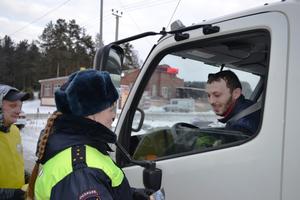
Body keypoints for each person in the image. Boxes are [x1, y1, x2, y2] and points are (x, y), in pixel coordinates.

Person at [27, 69, 152, 200]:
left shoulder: (79, 152)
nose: (114, 116)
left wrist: (134, 196)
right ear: (91, 114)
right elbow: (88, 184)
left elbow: (103, 186)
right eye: (111, 109)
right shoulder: (82, 172)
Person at [206, 70, 260, 135]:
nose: (211, 101)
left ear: (236, 93)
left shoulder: (240, 128)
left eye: (217, 95)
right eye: (209, 95)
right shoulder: (249, 106)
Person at [0, 84, 30, 199]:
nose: (18, 110)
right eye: (13, 105)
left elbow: (15, 164)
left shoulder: (14, 131)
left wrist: (29, 178)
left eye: (20, 105)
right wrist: (16, 194)